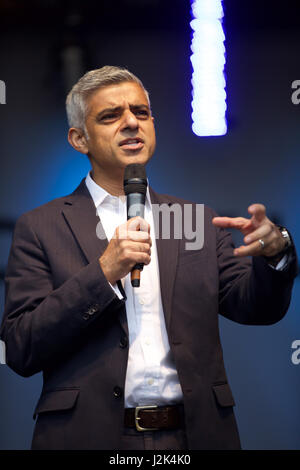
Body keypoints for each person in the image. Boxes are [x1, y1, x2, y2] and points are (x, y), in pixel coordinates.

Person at [0, 66, 297, 451]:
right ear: (79, 139)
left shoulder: (195, 220)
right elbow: (21, 347)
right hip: (86, 436)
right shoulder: (40, 226)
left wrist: (276, 254)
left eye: (140, 112)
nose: (130, 123)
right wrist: (104, 273)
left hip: (194, 436)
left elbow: (258, 308)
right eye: (110, 116)